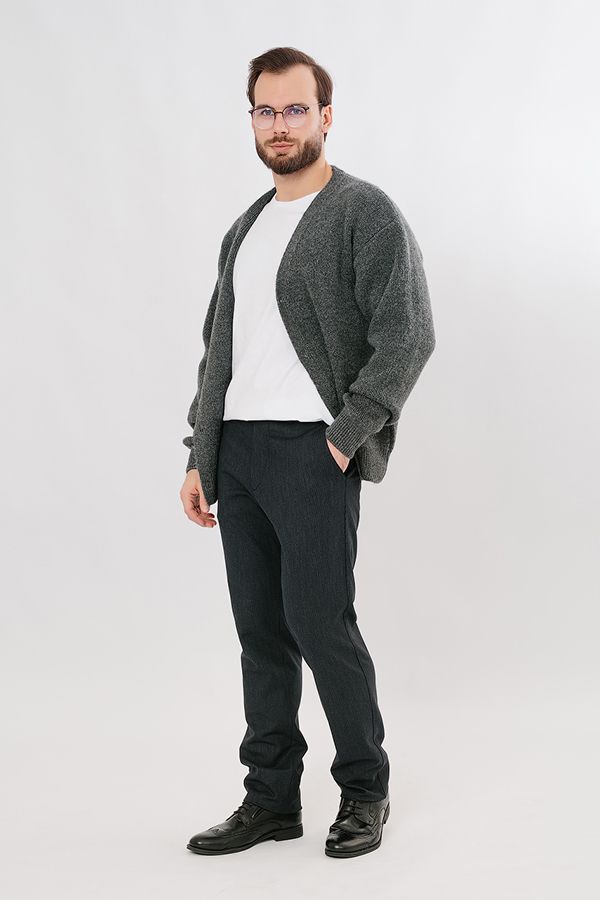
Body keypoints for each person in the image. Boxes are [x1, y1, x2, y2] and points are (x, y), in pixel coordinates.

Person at [180, 46, 435, 859]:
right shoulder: (246, 228)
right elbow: (219, 351)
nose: (280, 125)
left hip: (311, 452)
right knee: (260, 632)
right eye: (266, 111)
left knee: (321, 624)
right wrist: (199, 453)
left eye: (295, 109)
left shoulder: (363, 212)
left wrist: (345, 435)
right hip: (240, 453)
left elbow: (407, 335)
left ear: (325, 116)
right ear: (252, 120)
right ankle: (270, 799)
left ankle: (364, 789)